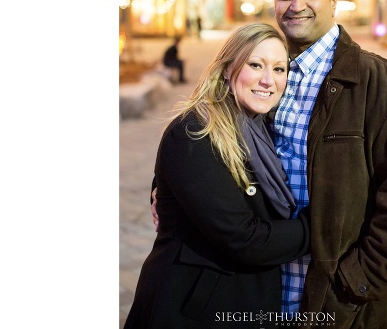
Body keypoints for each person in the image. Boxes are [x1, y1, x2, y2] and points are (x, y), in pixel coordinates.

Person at [269, 0, 387, 328]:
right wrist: (169, 188)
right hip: (268, 295)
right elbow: (213, 138)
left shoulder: (381, 84)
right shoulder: (264, 76)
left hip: (346, 310)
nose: (297, 5)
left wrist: (354, 284)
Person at [125, 23, 310, 329]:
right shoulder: (196, 131)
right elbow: (244, 238)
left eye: (279, 69)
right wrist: (322, 227)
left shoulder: (265, 129)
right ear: (227, 68)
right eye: (255, 65)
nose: (268, 80)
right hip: (192, 309)